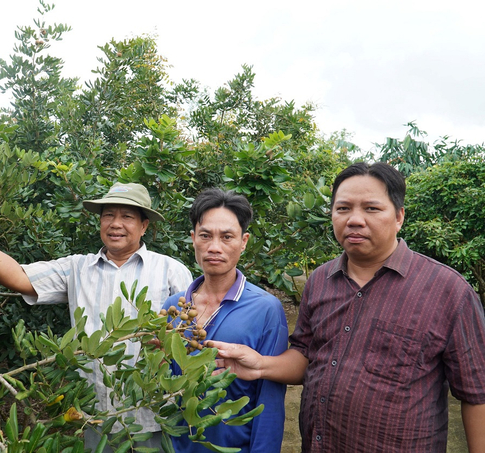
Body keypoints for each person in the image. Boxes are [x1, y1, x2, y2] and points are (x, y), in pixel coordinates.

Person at [208, 162, 485, 452]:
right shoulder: (320, 281)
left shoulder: (447, 290)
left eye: (371, 208)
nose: (354, 220)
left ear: (399, 216)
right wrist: (261, 365)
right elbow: (305, 354)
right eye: (343, 209)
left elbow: (477, 394)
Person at [0, 182, 193, 450]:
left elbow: (189, 334)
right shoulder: (76, 268)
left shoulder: (171, 270)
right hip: (97, 418)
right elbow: (19, 277)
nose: (116, 224)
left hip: (154, 416)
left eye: (127, 216)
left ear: (144, 226)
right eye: (108, 215)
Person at [160, 188, 288, 453]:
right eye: (205, 236)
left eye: (227, 237)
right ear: (193, 239)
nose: (214, 247)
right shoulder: (173, 308)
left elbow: (270, 400)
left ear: (244, 241)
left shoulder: (265, 309)